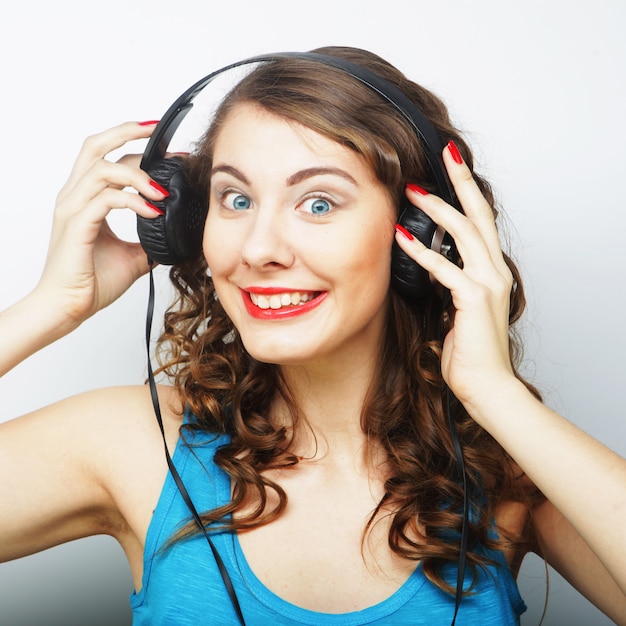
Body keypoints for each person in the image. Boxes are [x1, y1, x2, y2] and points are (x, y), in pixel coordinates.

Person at [0, 46, 625, 625]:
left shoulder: (506, 469)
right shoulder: (138, 444)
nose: (259, 248)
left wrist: (497, 397)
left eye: (319, 203)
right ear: (188, 224)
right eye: (235, 200)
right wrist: (51, 307)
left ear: (422, 235)